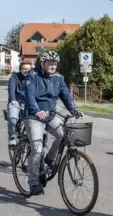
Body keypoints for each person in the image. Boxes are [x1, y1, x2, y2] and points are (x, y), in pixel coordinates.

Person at [23, 50, 82, 196]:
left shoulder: (58, 78)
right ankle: (33, 182)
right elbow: (30, 96)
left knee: (64, 134)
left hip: (50, 115)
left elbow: (66, 96)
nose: (53, 66)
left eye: (55, 63)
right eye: (50, 63)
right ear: (42, 64)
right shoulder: (33, 76)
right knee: (36, 148)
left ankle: (49, 159)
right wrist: (36, 110)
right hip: (33, 116)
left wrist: (74, 110)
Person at [7, 61, 31, 146]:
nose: (26, 71)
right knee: (13, 119)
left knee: (33, 121)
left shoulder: (33, 78)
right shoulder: (14, 77)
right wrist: (13, 100)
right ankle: (12, 137)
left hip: (28, 103)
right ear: (20, 69)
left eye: (28, 69)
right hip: (16, 102)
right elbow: (11, 89)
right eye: (24, 69)